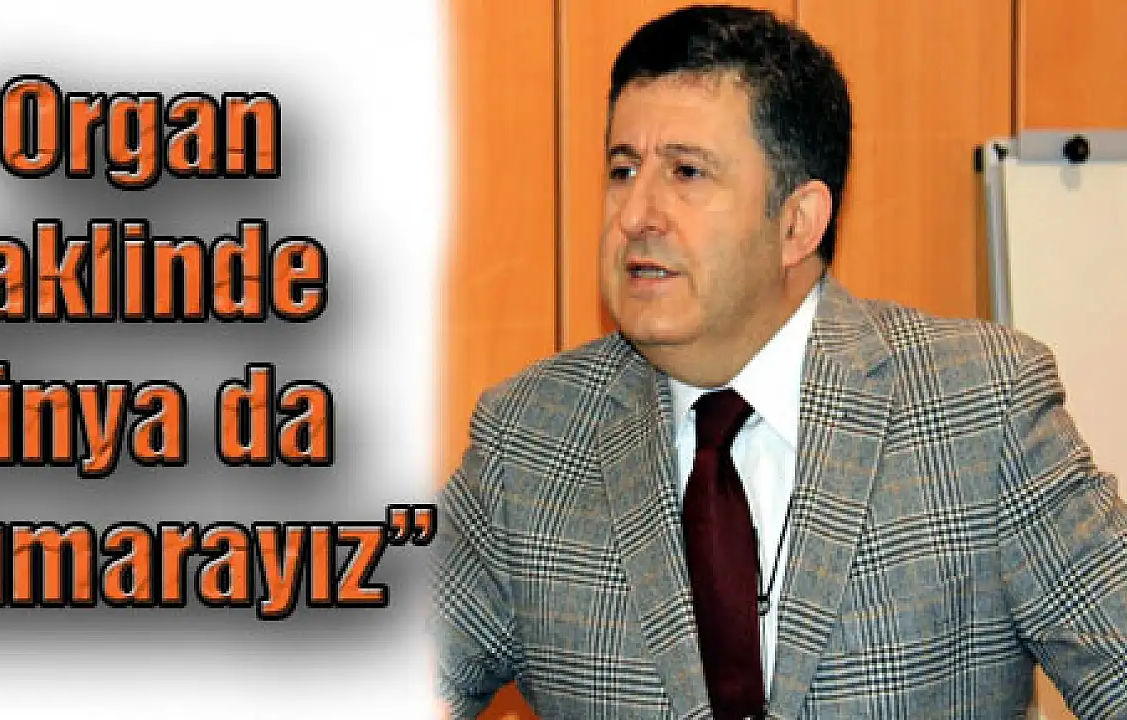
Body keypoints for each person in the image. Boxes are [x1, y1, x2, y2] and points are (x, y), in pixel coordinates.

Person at [432, 5, 1127, 719]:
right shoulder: (531, 439)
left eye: (686, 172)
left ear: (797, 223)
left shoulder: (981, 409)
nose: (635, 214)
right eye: (623, 168)